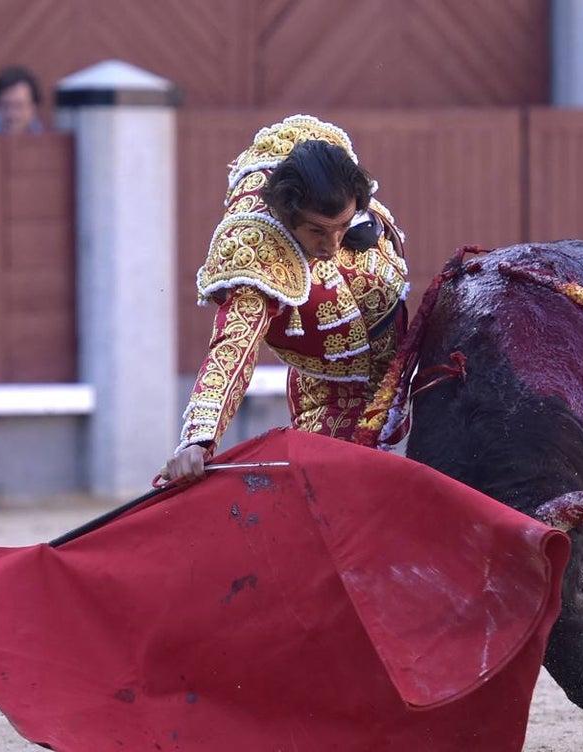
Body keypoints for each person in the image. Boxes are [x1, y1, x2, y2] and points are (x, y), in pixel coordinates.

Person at [162, 114, 410, 483]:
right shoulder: (258, 249)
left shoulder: (338, 189)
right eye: (317, 231)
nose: (332, 245)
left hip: (410, 372)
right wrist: (199, 440)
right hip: (332, 398)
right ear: (287, 216)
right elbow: (234, 346)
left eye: (343, 226)